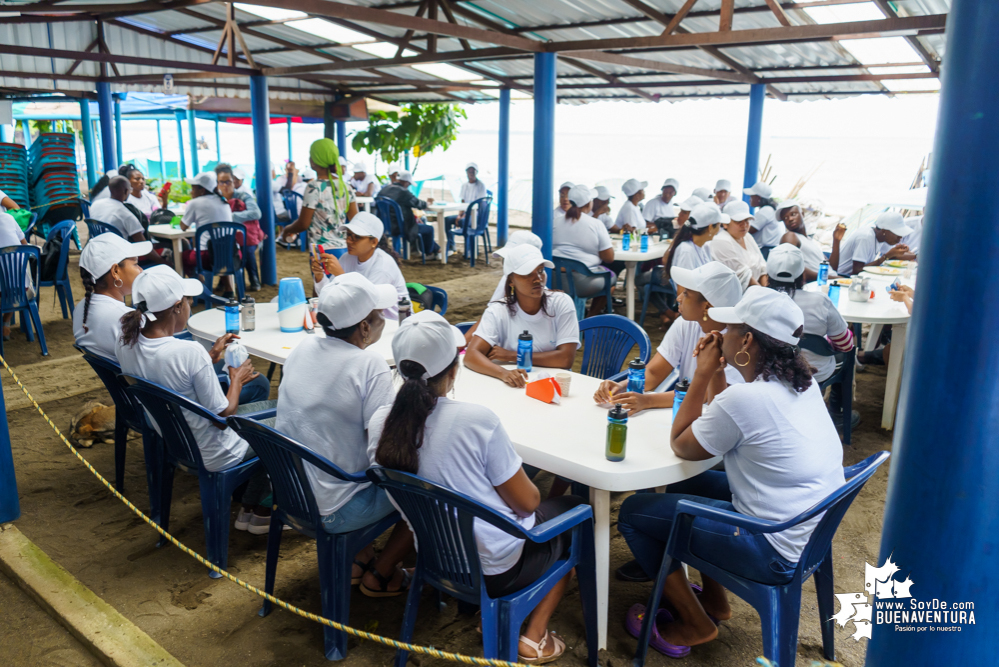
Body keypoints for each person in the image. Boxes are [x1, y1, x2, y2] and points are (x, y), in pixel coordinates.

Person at [618, 286, 845, 655]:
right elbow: (724, 413)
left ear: (748, 340)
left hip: (770, 544)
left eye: (730, 328)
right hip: (805, 527)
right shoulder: (798, 384)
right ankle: (715, 600)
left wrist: (704, 373)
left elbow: (682, 445)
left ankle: (695, 623)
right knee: (688, 483)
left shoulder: (748, 399)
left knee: (633, 512)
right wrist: (718, 375)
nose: (720, 334)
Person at [370, 310, 582, 663]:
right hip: (498, 570)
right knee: (576, 513)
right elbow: (528, 504)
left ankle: (489, 612)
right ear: (454, 370)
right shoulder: (475, 421)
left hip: (436, 558)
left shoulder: (381, 422)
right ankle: (533, 636)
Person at [276, 273, 415, 596]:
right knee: (429, 487)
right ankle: (381, 573)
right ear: (364, 327)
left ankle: (359, 556)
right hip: (334, 508)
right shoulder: (369, 364)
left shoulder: (303, 348)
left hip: (294, 492)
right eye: (379, 315)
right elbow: (385, 452)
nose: (384, 319)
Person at [116, 266, 278, 533]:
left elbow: (173, 376)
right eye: (189, 301)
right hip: (216, 450)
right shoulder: (188, 351)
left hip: (178, 441)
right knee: (285, 420)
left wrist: (210, 358)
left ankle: (249, 504)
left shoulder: (126, 342)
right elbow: (223, 416)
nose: (191, 306)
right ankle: (259, 510)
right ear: (178, 306)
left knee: (271, 410)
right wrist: (236, 378)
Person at [595, 261, 744, 416]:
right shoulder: (686, 324)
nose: (678, 298)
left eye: (686, 293)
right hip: (685, 411)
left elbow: (705, 394)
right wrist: (622, 387)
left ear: (707, 305)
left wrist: (648, 401)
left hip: (716, 418)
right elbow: (653, 372)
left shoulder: (735, 341)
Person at [465, 245, 580, 387]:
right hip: (516, 385)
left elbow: (565, 359)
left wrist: (511, 355)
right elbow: (471, 355)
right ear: (511, 280)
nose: (537, 279)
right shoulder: (498, 310)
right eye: (527, 274)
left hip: (554, 384)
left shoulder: (561, 302)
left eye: (540, 271)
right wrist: (503, 373)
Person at [766, 244, 853, 383]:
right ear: (803, 274)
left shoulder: (757, 300)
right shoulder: (820, 301)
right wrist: (824, 342)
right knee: (846, 356)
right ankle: (838, 402)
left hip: (770, 373)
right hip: (814, 373)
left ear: (767, 274)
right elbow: (846, 345)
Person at [311, 212, 408, 319]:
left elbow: (364, 305)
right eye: (348, 235)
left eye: (356, 237)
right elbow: (331, 296)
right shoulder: (347, 258)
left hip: (391, 324)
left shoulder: (382, 267)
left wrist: (340, 275)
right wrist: (319, 276)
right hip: (365, 322)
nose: (348, 240)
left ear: (374, 242)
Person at [73, 234, 150, 361]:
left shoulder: (81, 308)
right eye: (136, 264)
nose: (141, 270)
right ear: (115, 271)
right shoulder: (128, 320)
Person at [461, 231, 545, 345]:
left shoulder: (556, 302)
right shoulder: (510, 278)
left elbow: (487, 318)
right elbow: (490, 314)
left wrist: (462, 344)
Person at [553, 184, 619, 317]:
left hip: (555, 278)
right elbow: (609, 258)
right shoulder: (595, 224)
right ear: (589, 203)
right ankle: (591, 318)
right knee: (611, 278)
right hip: (582, 283)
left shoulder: (554, 222)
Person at [280, 139, 358, 250]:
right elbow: (356, 220)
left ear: (312, 162)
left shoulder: (314, 187)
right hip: (344, 249)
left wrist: (288, 229)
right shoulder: (346, 186)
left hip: (322, 251)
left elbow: (303, 224)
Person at [216, 164, 265, 292]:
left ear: (234, 181)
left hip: (246, 236)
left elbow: (256, 213)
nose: (225, 185)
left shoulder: (243, 196)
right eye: (221, 182)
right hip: (224, 237)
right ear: (217, 183)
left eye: (228, 181)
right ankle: (225, 282)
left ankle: (254, 279)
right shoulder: (215, 199)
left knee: (247, 250)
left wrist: (229, 217)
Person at [179, 171, 233, 283]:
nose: (191, 191)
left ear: (202, 190)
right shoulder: (223, 201)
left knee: (183, 257)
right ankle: (228, 287)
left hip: (206, 256)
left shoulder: (195, 203)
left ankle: (200, 287)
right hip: (231, 253)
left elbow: (183, 226)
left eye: (193, 188)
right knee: (219, 249)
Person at [775, 200, 842, 282]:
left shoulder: (809, 240)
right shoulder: (790, 236)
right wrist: (831, 278)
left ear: (802, 214)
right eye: (785, 218)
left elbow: (831, 269)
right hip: (816, 285)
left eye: (793, 214)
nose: (790, 219)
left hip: (829, 282)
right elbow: (792, 268)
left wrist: (836, 241)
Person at [376, 170, 439, 257]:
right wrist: (428, 203)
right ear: (406, 182)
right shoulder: (403, 192)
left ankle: (437, 249)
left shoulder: (384, 190)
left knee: (421, 226)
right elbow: (419, 204)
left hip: (386, 226)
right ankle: (430, 253)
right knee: (429, 229)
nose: (408, 186)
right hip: (401, 227)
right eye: (409, 184)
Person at [709, 200, 768, 290]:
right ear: (725, 224)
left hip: (755, 291)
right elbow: (745, 277)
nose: (744, 225)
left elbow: (762, 267)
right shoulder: (721, 241)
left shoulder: (747, 236)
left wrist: (767, 290)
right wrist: (764, 295)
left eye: (747, 220)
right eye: (738, 221)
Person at [834, 211, 913, 276]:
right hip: (842, 276)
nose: (900, 238)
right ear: (884, 231)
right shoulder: (865, 237)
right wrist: (886, 257)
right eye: (897, 234)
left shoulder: (882, 237)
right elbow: (857, 270)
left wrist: (902, 252)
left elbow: (892, 256)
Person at [662, 202, 721, 278]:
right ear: (710, 228)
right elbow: (682, 288)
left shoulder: (705, 247)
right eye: (719, 225)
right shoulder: (686, 251)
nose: (719, 229)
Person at [90, 176, 148, 241]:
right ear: (126, 191)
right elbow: (142, 242)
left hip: (96, 246)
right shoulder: (126, 214)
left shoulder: (95, 204)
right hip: (117, 249)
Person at [446, 162, 489, 231]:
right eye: (469, 171)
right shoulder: (464, 185)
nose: (471, 173)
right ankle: (451, 242)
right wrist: (459, 215)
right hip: (465, 213)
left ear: (476, 172)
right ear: (466, 172)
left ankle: (468, 241)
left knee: (463, 221)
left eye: (473, 171)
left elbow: (478, 205)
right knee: (447, 219)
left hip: (476, 215)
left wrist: (464, 216)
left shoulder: (481, 185)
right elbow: (462, 202)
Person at [743, 182, 782, 252]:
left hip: (766, 251)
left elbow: (748, 230)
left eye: (751, 196)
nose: (750, 199)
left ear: (758, 197)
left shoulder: (766, 210)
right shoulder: (771, 209)